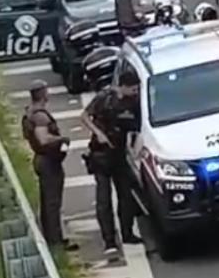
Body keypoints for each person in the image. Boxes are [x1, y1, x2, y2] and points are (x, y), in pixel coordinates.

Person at [82, 73, 142, 255]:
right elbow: (84, 116)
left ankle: (127, 232)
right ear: (123, 86)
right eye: (132, 88)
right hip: (101, 154)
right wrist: (98, 133)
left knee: (126, 196)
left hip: (120, 154)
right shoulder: (105, 97)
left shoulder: (134, 102)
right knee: (103, 199)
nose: (135, 92)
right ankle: (109, 241)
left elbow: (136, 128)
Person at [22, 81, 76, 251]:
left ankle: (52, 237)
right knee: (52, 202)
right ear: (43, 93)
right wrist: (61, 139)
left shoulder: (30, 113)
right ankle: (55, 241)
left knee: (48, 201)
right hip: (48, 161)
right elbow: (43, 139)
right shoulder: (40, 116)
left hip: (42, 160)